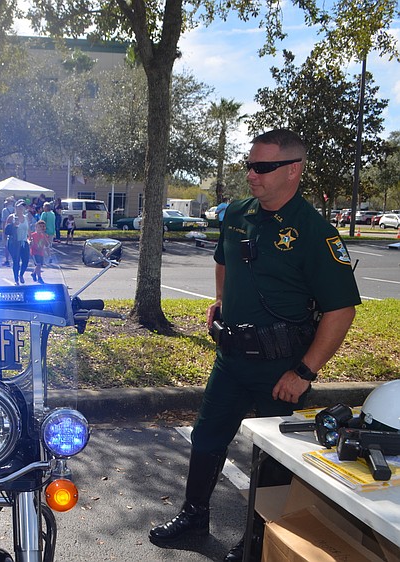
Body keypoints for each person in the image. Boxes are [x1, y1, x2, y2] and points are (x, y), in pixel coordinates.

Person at [148, 129, 361, 562]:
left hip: (281, 367)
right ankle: (194, 515)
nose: (251, 175)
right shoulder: (237, 213)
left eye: (262, 167)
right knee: (206, 437)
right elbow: (224, 260)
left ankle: (259, 538)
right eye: (249, 165)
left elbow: (341, 311)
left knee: (273, 457)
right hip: (230, 358)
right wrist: (221, 299)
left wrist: (304, 373)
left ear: (293, 171)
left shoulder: (314, 232)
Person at [5, 200, 30, 285]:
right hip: (14, 242)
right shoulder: (11, 217)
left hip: (24, 242)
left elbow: (28, 229)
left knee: (25, 261)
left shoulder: (26, 217)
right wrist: (13, 225)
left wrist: (30, 238)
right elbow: (6, 230)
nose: (21, 208)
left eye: (23, 206)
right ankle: (16, 279)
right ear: (16, 207)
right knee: (16, 261)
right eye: (19, 206)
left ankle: (21, 274)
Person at [29, 219, 50, 283]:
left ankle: (34, 273)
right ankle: (39, 278)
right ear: (36, 227)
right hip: (35, 252)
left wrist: (44, 237)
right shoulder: (33, 235)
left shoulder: (44, 235)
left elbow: (47, 245)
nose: (42, 228)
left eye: (43, 226)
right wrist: (30, 242)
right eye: (40, 226)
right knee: (38, 264)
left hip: (41, 252)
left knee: (40, 265)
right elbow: (30, 241)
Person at [0, 197, 15, 266]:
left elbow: (4, 221)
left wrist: (4, 231)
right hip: (14, 229)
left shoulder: (4, 210)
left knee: (6, 245)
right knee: (14, 244)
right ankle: (14, 259)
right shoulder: (15, 210)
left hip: (7, 228)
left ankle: (7, 259)